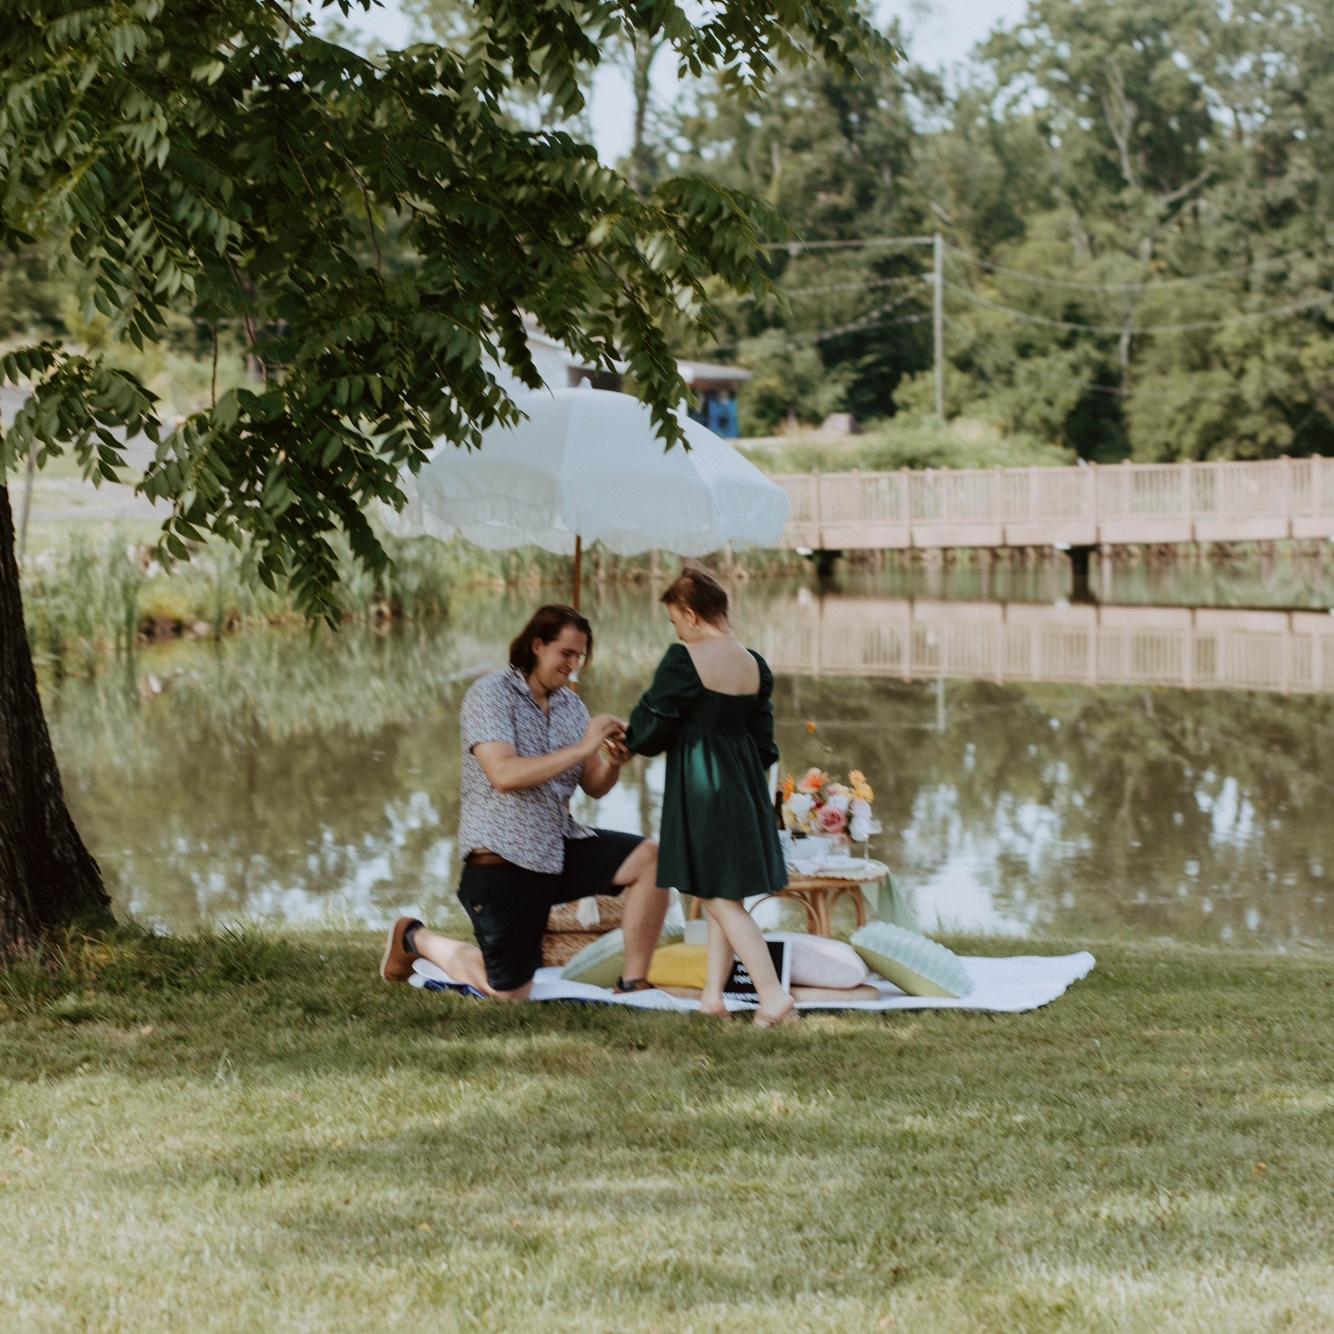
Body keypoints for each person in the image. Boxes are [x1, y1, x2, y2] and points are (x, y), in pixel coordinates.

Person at [381, 604, 669, 999]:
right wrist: (584, 745)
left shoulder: (571, 706)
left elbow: (594, 786)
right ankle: (415, 937)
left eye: (579, 656)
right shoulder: (490, 695)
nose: (573, 665)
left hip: (557, 850)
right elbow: (504, 775)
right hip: (502, 861)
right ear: (537, 645)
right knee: (509, 995)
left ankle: (633, 983)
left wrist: (615, 761)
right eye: (566, 653)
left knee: (651, 858)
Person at [625, 568, 795, 1027]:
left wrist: (631, 738)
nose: (676, 631)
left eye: (675, 621)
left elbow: (655, 722)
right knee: (727, 892)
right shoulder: (755, 664)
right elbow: (765, 744)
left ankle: (773, 997)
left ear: (691, 613)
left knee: (718, 898)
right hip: (744, 784)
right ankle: (712, 998)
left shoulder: (685, 658)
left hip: (702, 785)